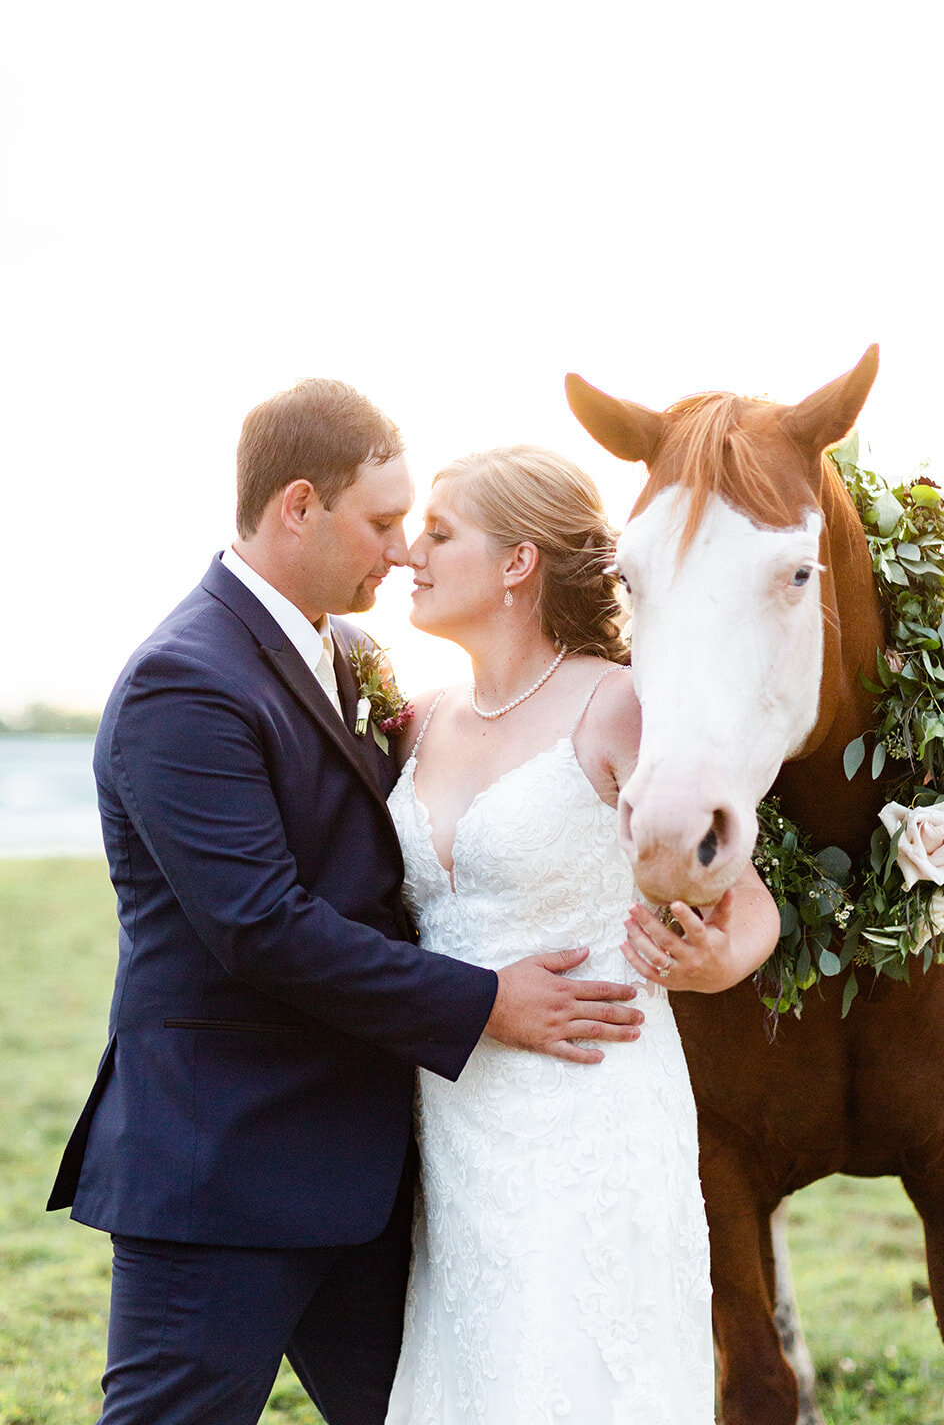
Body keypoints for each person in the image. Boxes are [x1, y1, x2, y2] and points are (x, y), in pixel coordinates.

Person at [47, 382, 645, 1425]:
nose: (399, 547)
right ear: (296, 507)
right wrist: (483, 1000)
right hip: (222, 1170)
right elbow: (260, 925)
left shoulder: (354, 658)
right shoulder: (183, 683)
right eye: (379, 522)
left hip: (372, 1171)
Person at [383, 446, 781, 1423]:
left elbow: (750, 901)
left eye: (439, 531)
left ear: (517, 561)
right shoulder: (418, 720)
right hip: (453, 1115)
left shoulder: (618, 704)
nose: (408, 553)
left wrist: (716, 957)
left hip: (589, 1109)